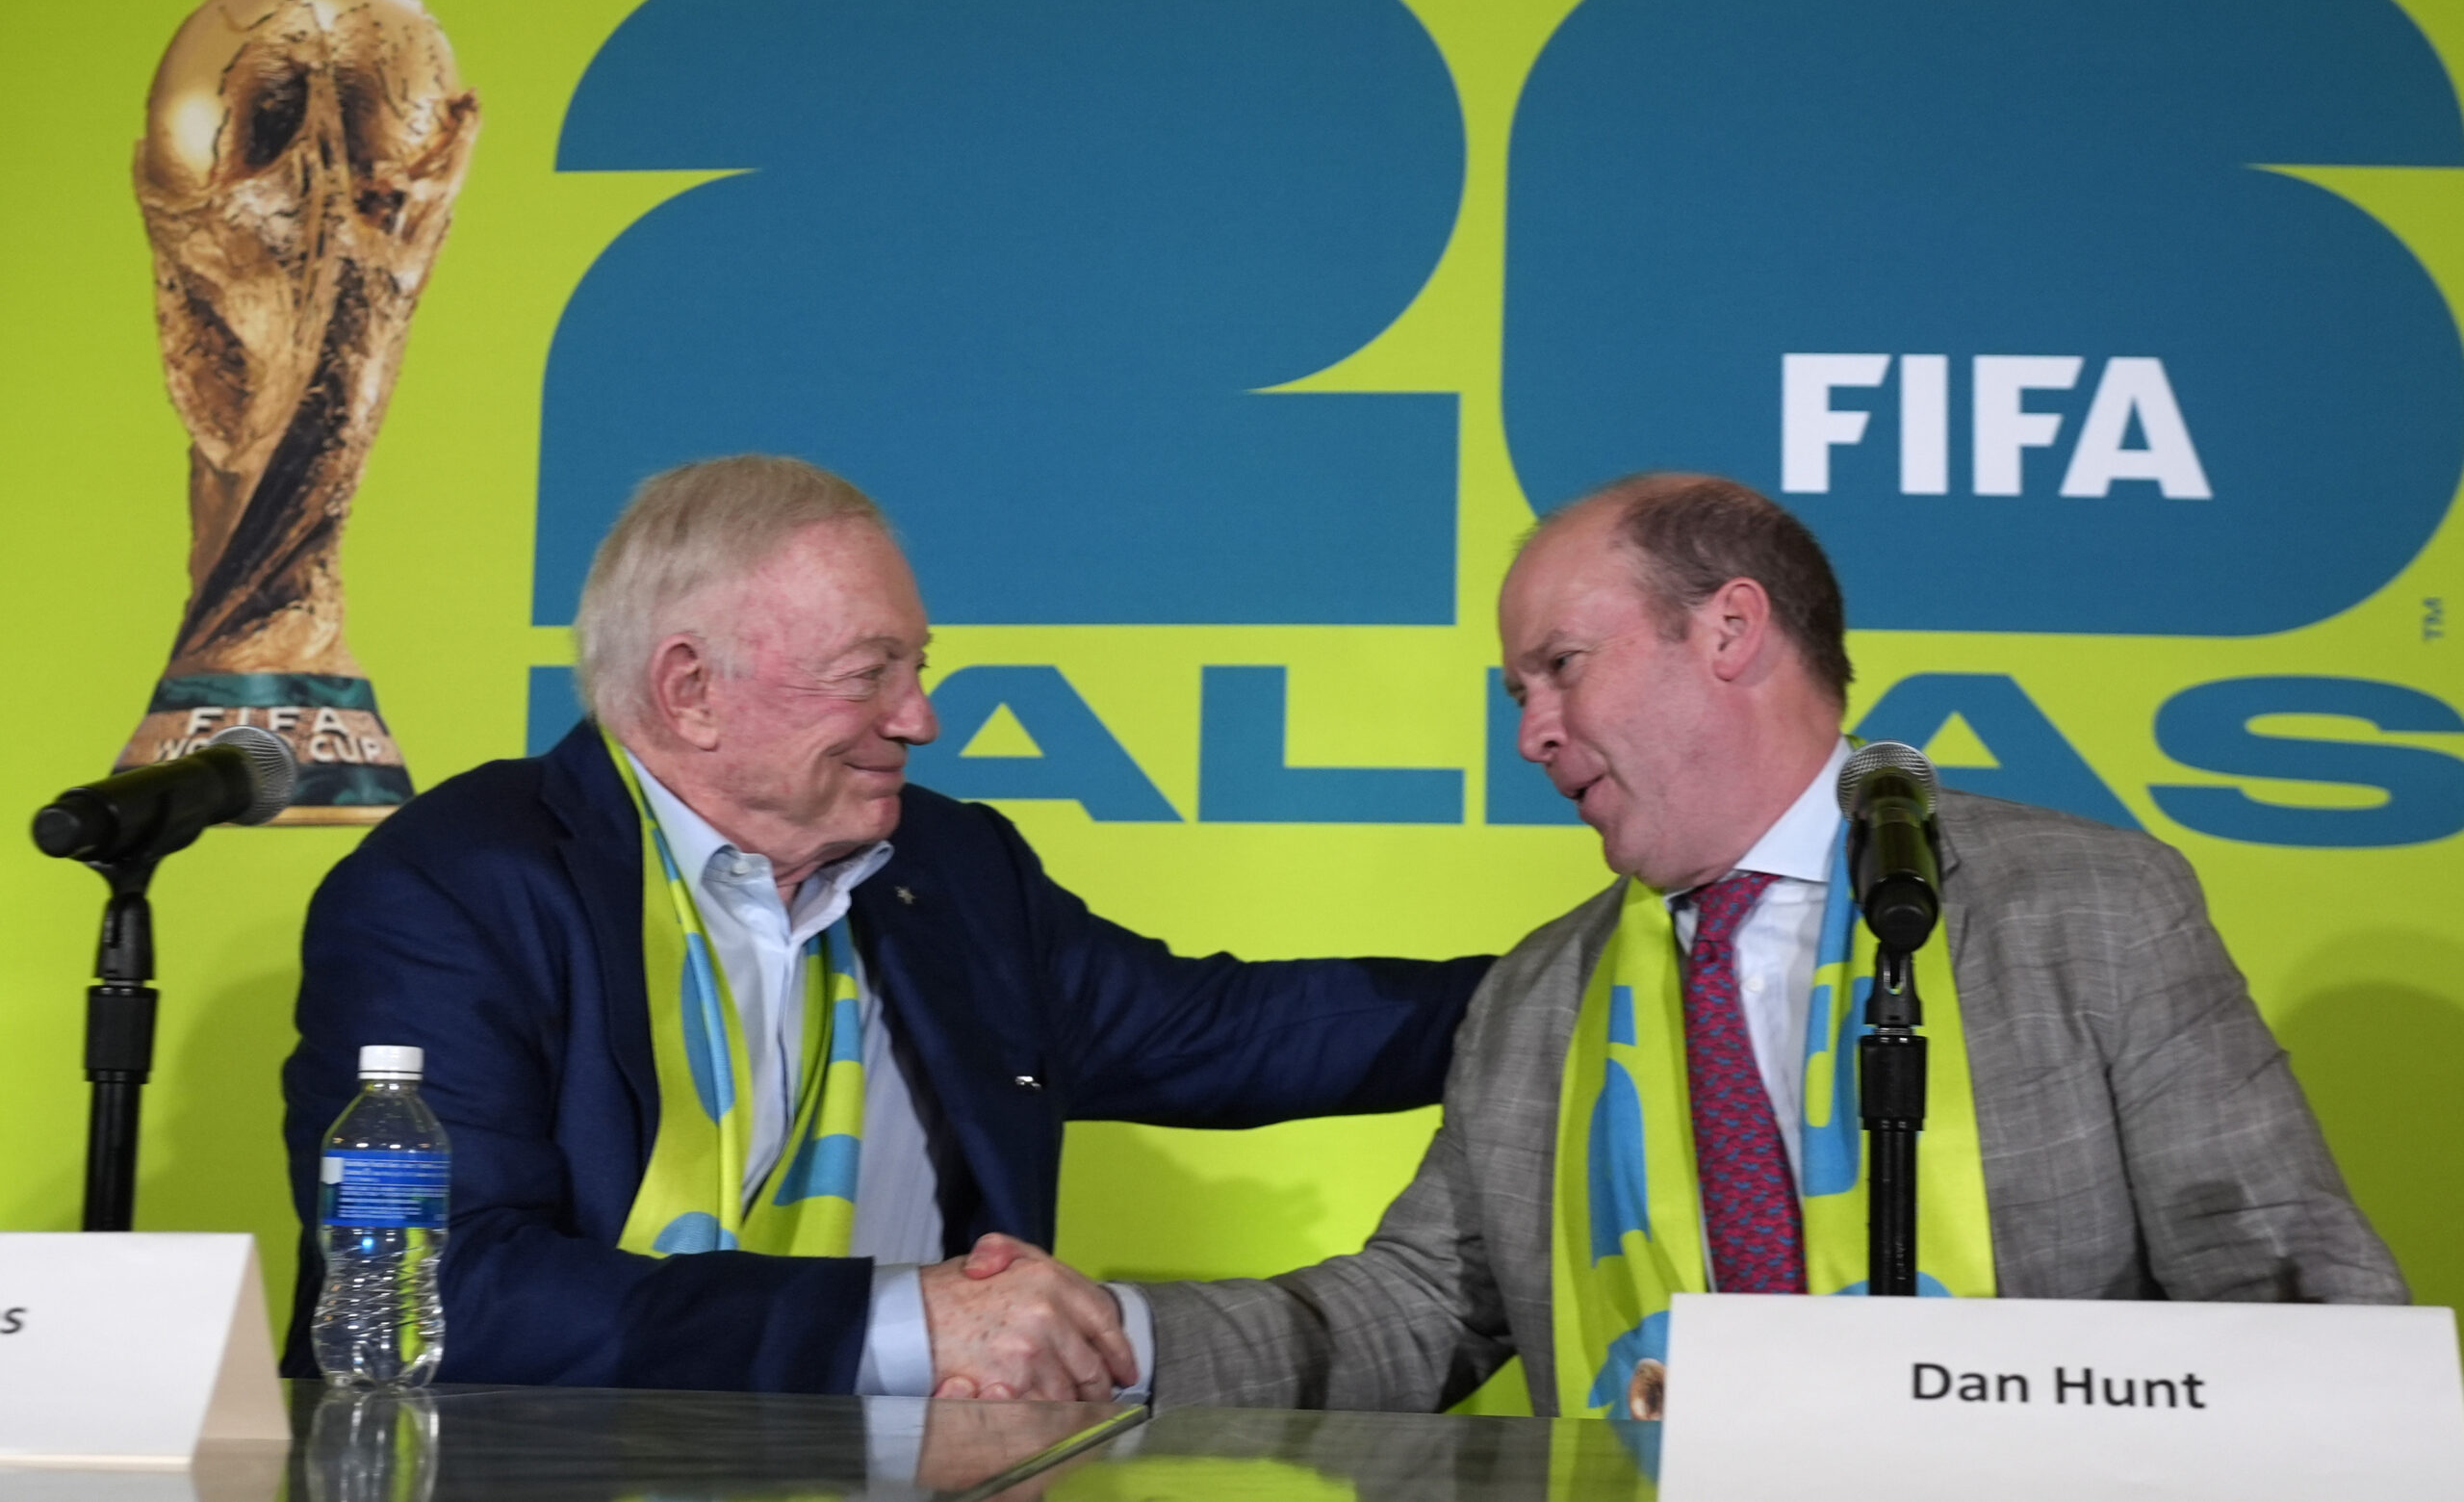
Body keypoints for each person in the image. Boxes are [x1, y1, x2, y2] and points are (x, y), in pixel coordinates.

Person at [1083, 472, 2405, 1415]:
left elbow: (2296, 1293)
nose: (1532, 731)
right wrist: (1110, 1334)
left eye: (1559, 667)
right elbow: (1417, 1309)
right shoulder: (1541, 993)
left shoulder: (2090, 909)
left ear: (1728, 628)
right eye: (1517, 693)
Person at [280, 454, 1493, 1400]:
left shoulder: (951, 869)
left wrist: (1574, 987)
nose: (918, 718)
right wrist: (901, 1321)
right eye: (869, 673)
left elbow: (1237, 1034)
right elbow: (429, 1295)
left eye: (917, 667)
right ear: (689, 690)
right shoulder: (456, 888)